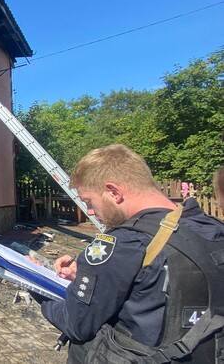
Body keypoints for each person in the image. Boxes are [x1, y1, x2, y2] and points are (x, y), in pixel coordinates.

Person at [38, 144, 224, 363]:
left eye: (88, 201)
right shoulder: (210, 227)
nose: (89, 211)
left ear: (113, 192)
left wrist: (38, 291)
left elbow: (76, 324)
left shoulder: (123, 243)